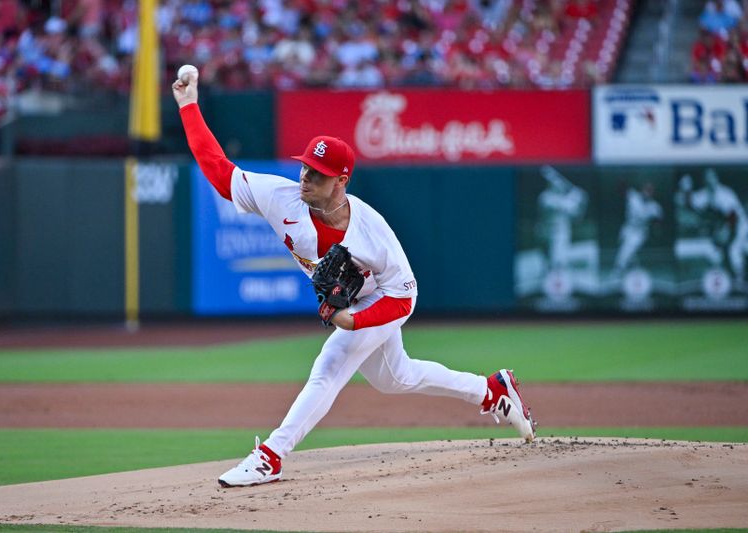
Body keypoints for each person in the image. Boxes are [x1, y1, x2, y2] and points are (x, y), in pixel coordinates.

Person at [172, 70, 536, 488]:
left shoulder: (373, 233)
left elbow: (404, 299)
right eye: (306, 168)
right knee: (397, 378)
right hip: (355, 299)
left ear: (342, 180)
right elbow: (219, 171)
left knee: (330, 365)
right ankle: (492, 390)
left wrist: (353, 321)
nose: (306, 178)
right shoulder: (280, 196)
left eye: (318, 174)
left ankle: (270, 456)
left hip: (380, 298)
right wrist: (189, 106)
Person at [613, 183, 663, 274]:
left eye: (650, 191)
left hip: (640, 232)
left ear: (653, 193)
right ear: (642, 190)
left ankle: (617, 271)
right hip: (627, 227)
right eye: (646, 190)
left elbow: (658, 220)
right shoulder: (633, 196)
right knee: (628, 251)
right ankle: (635, 270)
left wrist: (656, 228)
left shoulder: (654, 206)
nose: (647, 192)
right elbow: (621, 188)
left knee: (627, 249)